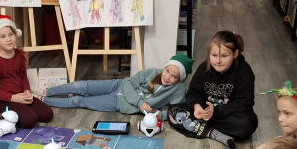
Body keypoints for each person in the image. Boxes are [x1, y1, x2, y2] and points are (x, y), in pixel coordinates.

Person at [168, 31, 258, 149]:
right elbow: (193, 92)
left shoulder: (244, 71)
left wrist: (215, 111)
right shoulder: (204, 67)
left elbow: (245, 102)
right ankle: (213, 133)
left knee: (248, 124)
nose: (218, 61)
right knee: (172, 111)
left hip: (227, 114)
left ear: (235, 54)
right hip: (203, 113)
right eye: (214, 55)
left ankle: (198, 127)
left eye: (224, 56)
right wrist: (196, 107)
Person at [42, 54, 192, 114]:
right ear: (164, 67)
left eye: (174, 76)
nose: (167, 77)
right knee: (81, 86)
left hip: (118, 103)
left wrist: (157, 115)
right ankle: (47, 92)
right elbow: (128, 83)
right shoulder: (153, 72)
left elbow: (176, 111)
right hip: (117, 85)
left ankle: (43, 100)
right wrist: (140, 103)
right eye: (167, 71)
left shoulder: (177, 89)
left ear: (180, 79)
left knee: (79, 101)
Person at [0, 15, 53, 129]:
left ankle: (20, 112)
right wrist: (13, 98)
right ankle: (4, 114)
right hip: (3, 101)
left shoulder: (19, 54)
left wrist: (26, 91)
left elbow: (23, 76)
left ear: (15, 34)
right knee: (30, 120)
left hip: (21, 95)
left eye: (11, 34)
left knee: (47, 115)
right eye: (2, 37)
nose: (8, 39)